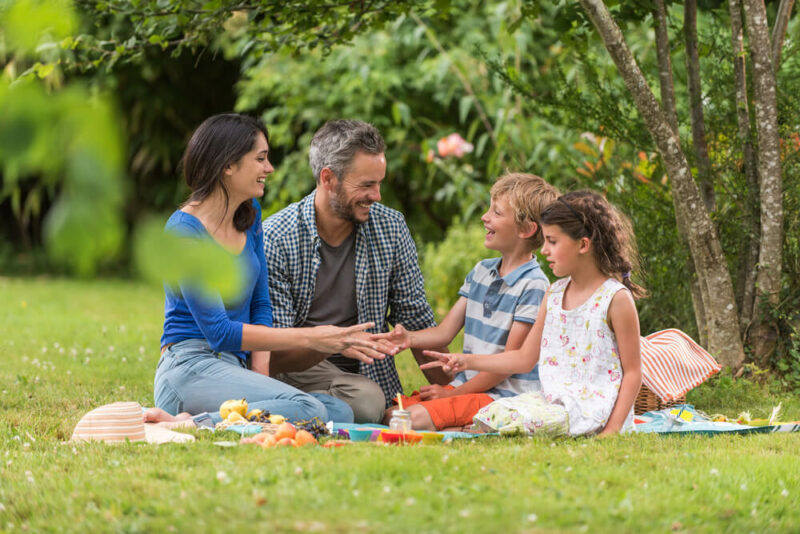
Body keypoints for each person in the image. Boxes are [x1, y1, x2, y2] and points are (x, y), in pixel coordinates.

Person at [152, 113, 383, 428]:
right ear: (228, 165)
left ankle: (215, 419)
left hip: (234, 367)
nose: (269, 168)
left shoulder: (250, 216)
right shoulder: (184, 232)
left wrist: (261, 380)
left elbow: (260, 304)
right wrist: (312, 338)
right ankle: (190, 423)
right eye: (260, 159)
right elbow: (219, 332)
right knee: (306, 408)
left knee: (338, 413)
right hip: (191, 366)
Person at [263, 119, 448, 423]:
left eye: (379, 183)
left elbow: (415, 319)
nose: (376, 196)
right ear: (328, 179)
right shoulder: (276, 237)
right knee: (367, 402)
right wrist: (333, 342)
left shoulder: (390, 226)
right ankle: (299, 406)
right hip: (298, 368)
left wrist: (457, 392)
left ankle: (308, 410)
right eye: (365, 185)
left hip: (365, 376)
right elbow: (273, 350)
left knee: (368, 399)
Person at [422, 191, 645, 437]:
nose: (544, 250)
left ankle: (489, 431)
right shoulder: (555, 294)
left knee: (516, 420)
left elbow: (633, 372)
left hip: (593, 408)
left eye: (552, 241)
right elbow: (523, 358)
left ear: (583, 244)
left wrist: (612, 430)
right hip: (551, 402)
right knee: (493, 413)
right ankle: (482, 430)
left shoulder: (615, 298)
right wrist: (468, 361)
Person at [382, 173, 559, 431]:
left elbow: (507, 365)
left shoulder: (534, 285)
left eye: (496, 213)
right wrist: (409, 338)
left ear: (526, 229)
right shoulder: (481, 272)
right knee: (391, 412)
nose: (484, 217)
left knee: (408, 420)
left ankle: (469, 426)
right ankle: (460, 425)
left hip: (502, 398)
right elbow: (444, 332)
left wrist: (454, 395)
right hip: (468, 389)